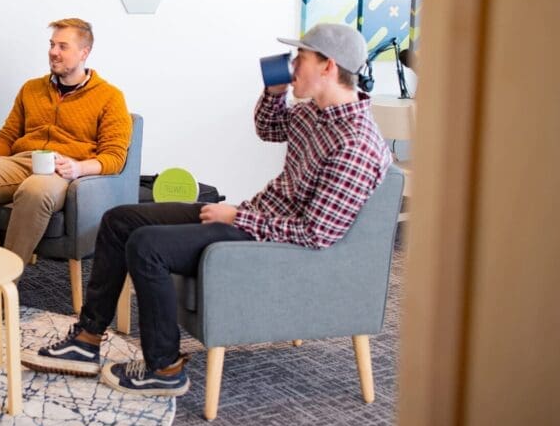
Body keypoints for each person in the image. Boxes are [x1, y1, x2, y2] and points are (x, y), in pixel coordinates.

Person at [22, 23, 393, 397]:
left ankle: (164, 367)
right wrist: (275, 91)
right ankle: (86, 340)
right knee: (121, 219)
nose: (293, 64)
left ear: (328, 66)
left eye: (302, 58)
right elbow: (270, 128)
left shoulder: (355, 143)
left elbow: (317, 233)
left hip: (267, 237)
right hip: (255, 216)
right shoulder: (315, 112)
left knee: (146, 245)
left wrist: (236, 217)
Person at [0, 18, 132, 321]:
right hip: (23, 159)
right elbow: (8, 135)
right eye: (51, 45)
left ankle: (4, 285)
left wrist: (78, 167)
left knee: (34, 191)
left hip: (62, 171)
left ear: (85, 52)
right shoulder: (31, 89)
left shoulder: (109, 97)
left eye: (63, 46)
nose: (54, 52)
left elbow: (114, 157)